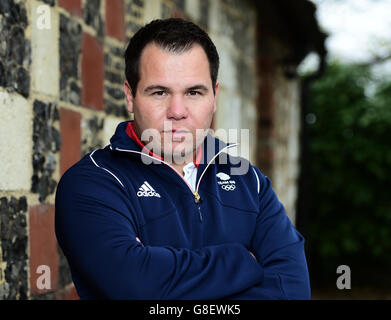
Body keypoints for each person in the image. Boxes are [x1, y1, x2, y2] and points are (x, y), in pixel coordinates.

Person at [55, 18, 310, 300]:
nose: (177, 111)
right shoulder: (94, 183)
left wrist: (166, 277)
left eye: (193, 92)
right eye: (160, 92)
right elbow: (134, 285)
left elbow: (292, 290)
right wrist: (245, 261)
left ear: (214, 96)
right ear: (130, 96)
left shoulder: (250, 183)